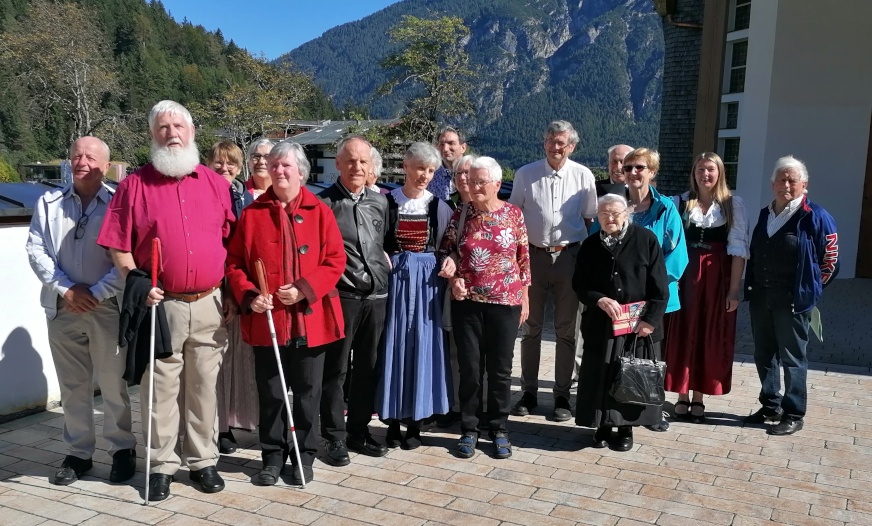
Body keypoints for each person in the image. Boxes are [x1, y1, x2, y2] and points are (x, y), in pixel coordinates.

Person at [98, 100, 235, 501]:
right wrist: (136, 280)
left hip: (210, 302)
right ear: (152, 135)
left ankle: (203, 461)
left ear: (192, 132)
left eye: (178, 126)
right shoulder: (134, 186)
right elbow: (118, 248)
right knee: (159, 390)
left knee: (204, 388)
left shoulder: (215, 184)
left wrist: (229, 291)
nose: (171, 133)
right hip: (161, 306)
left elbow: (231, 242)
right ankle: (161, 465)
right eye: (163, 127)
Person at [225, 141, 346, 485]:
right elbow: (234, 263)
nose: (279, 170)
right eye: (274, 164)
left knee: (308, 392)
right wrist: (249, 295)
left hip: (312, 320)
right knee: (272, 392)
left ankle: (303, 454)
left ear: (301, 172)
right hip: (269, 321)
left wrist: (303, 289)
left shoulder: (320, 211)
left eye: (286, 165)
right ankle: (272, 456)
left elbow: (335, 261)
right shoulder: (252, 214)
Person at [25, 136, 135, 486]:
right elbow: (36, 250)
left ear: (106, 164)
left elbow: (128, 257)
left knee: (113, 384)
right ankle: (78, 454)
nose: (81, 161)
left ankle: (121, 451)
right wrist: (66, 289)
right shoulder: (49, 202)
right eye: (75, 155)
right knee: (73, 386)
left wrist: (98, 293)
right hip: (62, 307)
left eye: (90, 156)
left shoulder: (120, 203)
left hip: (107, 308)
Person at [438, 156, 530, 460]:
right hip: (468, 303)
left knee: (501, 370)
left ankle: (500, 429)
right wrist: (453, 278)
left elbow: (523, 260)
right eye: (470, 180)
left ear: (496, 184)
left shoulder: (514, 215)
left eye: (480, 181)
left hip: (506, 303)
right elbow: (445, 252)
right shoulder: (459, 215)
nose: (473, 185)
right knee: (471, 369)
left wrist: (525, 299)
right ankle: (469, 429)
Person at [591, 147, 688, 432]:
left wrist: (651, 289)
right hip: (620, 298)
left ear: (652, 172)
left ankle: (650, 413)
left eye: (640, 168)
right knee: (617, 357)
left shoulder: (666, 208)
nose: (633, 172)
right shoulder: (613, 203)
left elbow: (677, 255)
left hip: (654, 298)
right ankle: (614, 414)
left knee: (649, 356)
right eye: (629, 166)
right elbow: (596, 245)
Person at [509, 120, 596, 422]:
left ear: (572, 146)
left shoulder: (583, 176)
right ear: (543, 142)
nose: (555, 147)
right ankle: (529, 392)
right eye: (550, 141)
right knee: (530, 328)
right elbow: (514, 216)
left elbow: (588, 220)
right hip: (532, 257)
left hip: (570, 258)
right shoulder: (526, 174)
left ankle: (562, 396)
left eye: (561, 142)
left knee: (567, 331)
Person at [744, 155, 839, 436]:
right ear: (772, 183)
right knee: (764, 354)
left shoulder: (816, 216)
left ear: (804, 185)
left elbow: (830, 261)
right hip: (762, 296)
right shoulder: (765, 213)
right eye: (781, 179)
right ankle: (770, 405)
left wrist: (811, 290)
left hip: (792, 301)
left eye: (792, 179)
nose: (786, 184)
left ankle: (794, 412)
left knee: (793, 358)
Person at [573, 194, 669, 452]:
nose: (610, 218)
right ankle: (602, 425)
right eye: (604, 214)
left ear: (627, 214)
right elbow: (579, 285)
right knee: (601, 374)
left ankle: (626, 428)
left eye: (615, 212)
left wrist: (650, 320)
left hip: (636, 325)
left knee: (629, 377)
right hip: (601, 324)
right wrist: (599, 299)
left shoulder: (646, 240)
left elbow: (660, 287)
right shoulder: (591, 245)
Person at [318, 135, 391, 465]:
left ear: (371, 165)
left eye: (363, 161)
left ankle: (359, 430)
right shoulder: (324, 204)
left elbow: (383, 245)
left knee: (368, 367)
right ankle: (333, 437)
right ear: (338, 165)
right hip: (341, 297)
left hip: (376, 297)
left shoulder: (380, 202)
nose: (357, 167)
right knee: (335, 371)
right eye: (350, 161)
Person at [376, 142, 453, 449]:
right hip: (396, 281)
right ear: (406, 167)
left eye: (430, 170)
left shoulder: (439, 206)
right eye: (420, 168)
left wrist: (448, 262)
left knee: (423, 345)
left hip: (428, 285)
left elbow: (449, 246)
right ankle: (392, 421)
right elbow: (376, 240)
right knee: (395, 345)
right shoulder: (387, 203)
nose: (424, 175)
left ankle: (416, 423)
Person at [663, 153, 749, 423]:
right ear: (694, 173)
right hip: (686, 277)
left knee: (708, 333)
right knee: (682, 331)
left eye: (711, 169)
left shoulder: (733, 205)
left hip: (716, 279)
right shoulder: (679, 203)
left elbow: (738, 251)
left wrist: (734, 289)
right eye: (701, 169)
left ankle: (699, 395)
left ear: (720, 173)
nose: (705, 174)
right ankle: (681, 395)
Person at [204, 141, 258, 454]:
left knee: (237, 360)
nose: (225, 169)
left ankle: (233, 421)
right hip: (213, 284)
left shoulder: (247, 197)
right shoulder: (204, 194)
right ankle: (217, 427)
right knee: (215, 362)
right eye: (218, 163)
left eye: (232, 164)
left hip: (239, 286)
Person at [434, 153, 477, 429]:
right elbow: (442, 247)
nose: (463, 178)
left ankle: (479, 407)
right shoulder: (449, 208)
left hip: (486, 293)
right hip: (453, 289)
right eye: (458, 173)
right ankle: (455, 405)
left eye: (468, 173)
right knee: (453, 350)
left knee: (479, 353)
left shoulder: (495, 209)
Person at [428, 127, 468, 201]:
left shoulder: (475, 174)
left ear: (463, 148)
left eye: (451, 143)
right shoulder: (431, 175)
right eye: (442, 144)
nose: (445, 149)